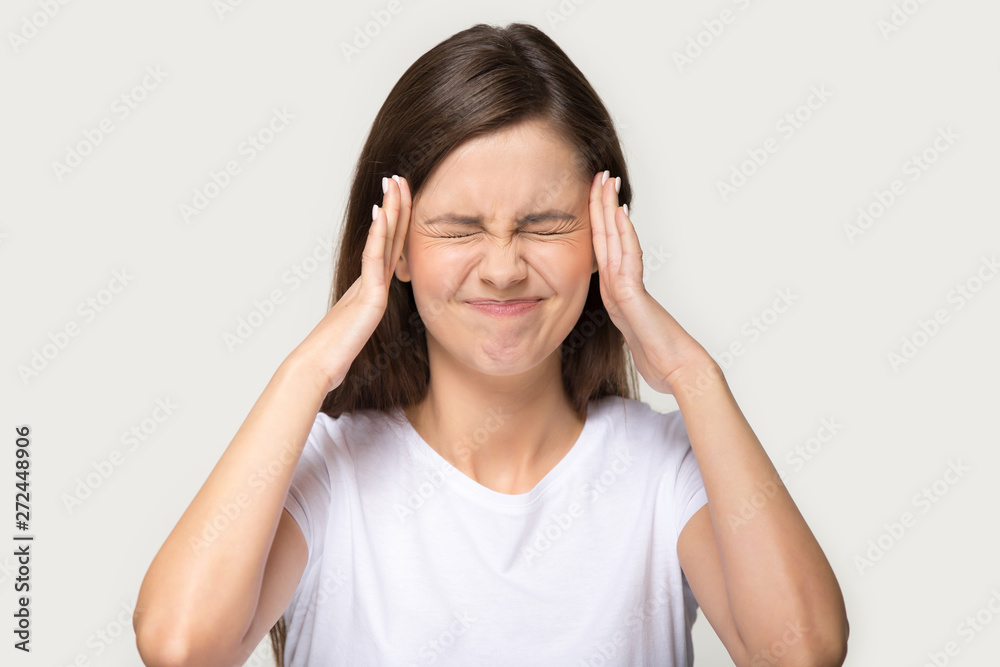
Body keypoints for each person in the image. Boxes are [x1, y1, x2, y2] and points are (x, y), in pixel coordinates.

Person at [133, 22, 849, 667]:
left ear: (605, 240)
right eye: (458, 229)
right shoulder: (328, 473)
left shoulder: (664, 471)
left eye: (544, 225)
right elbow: (181, 645)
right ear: (396, 246)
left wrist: (693, 374)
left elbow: (803, 650)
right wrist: (311, 369)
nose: (504, 268)